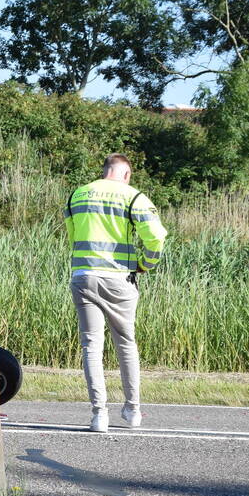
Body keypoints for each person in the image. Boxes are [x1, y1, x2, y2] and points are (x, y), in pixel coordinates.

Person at [65, 153, 168, 433]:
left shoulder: (78, 195)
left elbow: (73, 237)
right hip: (119, 279)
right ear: (126, 174)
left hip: (84, 276)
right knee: (125, 344)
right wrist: (145, 265)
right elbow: (157, 235)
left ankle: (99, 415)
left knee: (91, 347)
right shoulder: (133, 197)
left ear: (105, 170)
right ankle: (133, 410)